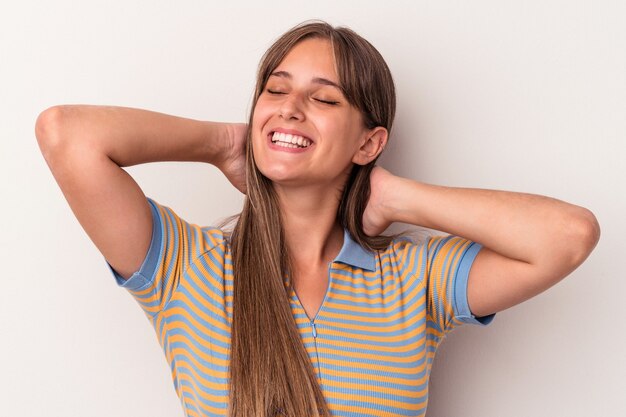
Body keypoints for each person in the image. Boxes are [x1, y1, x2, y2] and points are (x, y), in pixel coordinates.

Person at [35, 21, 599, 417]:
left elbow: (568, 236)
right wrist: (223, 143)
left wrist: (394, 197)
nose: (289, 107)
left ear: (368, 142)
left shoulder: (414, 277)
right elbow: (66, 133)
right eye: (274, 91)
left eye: (324, 100)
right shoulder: (186, 270)